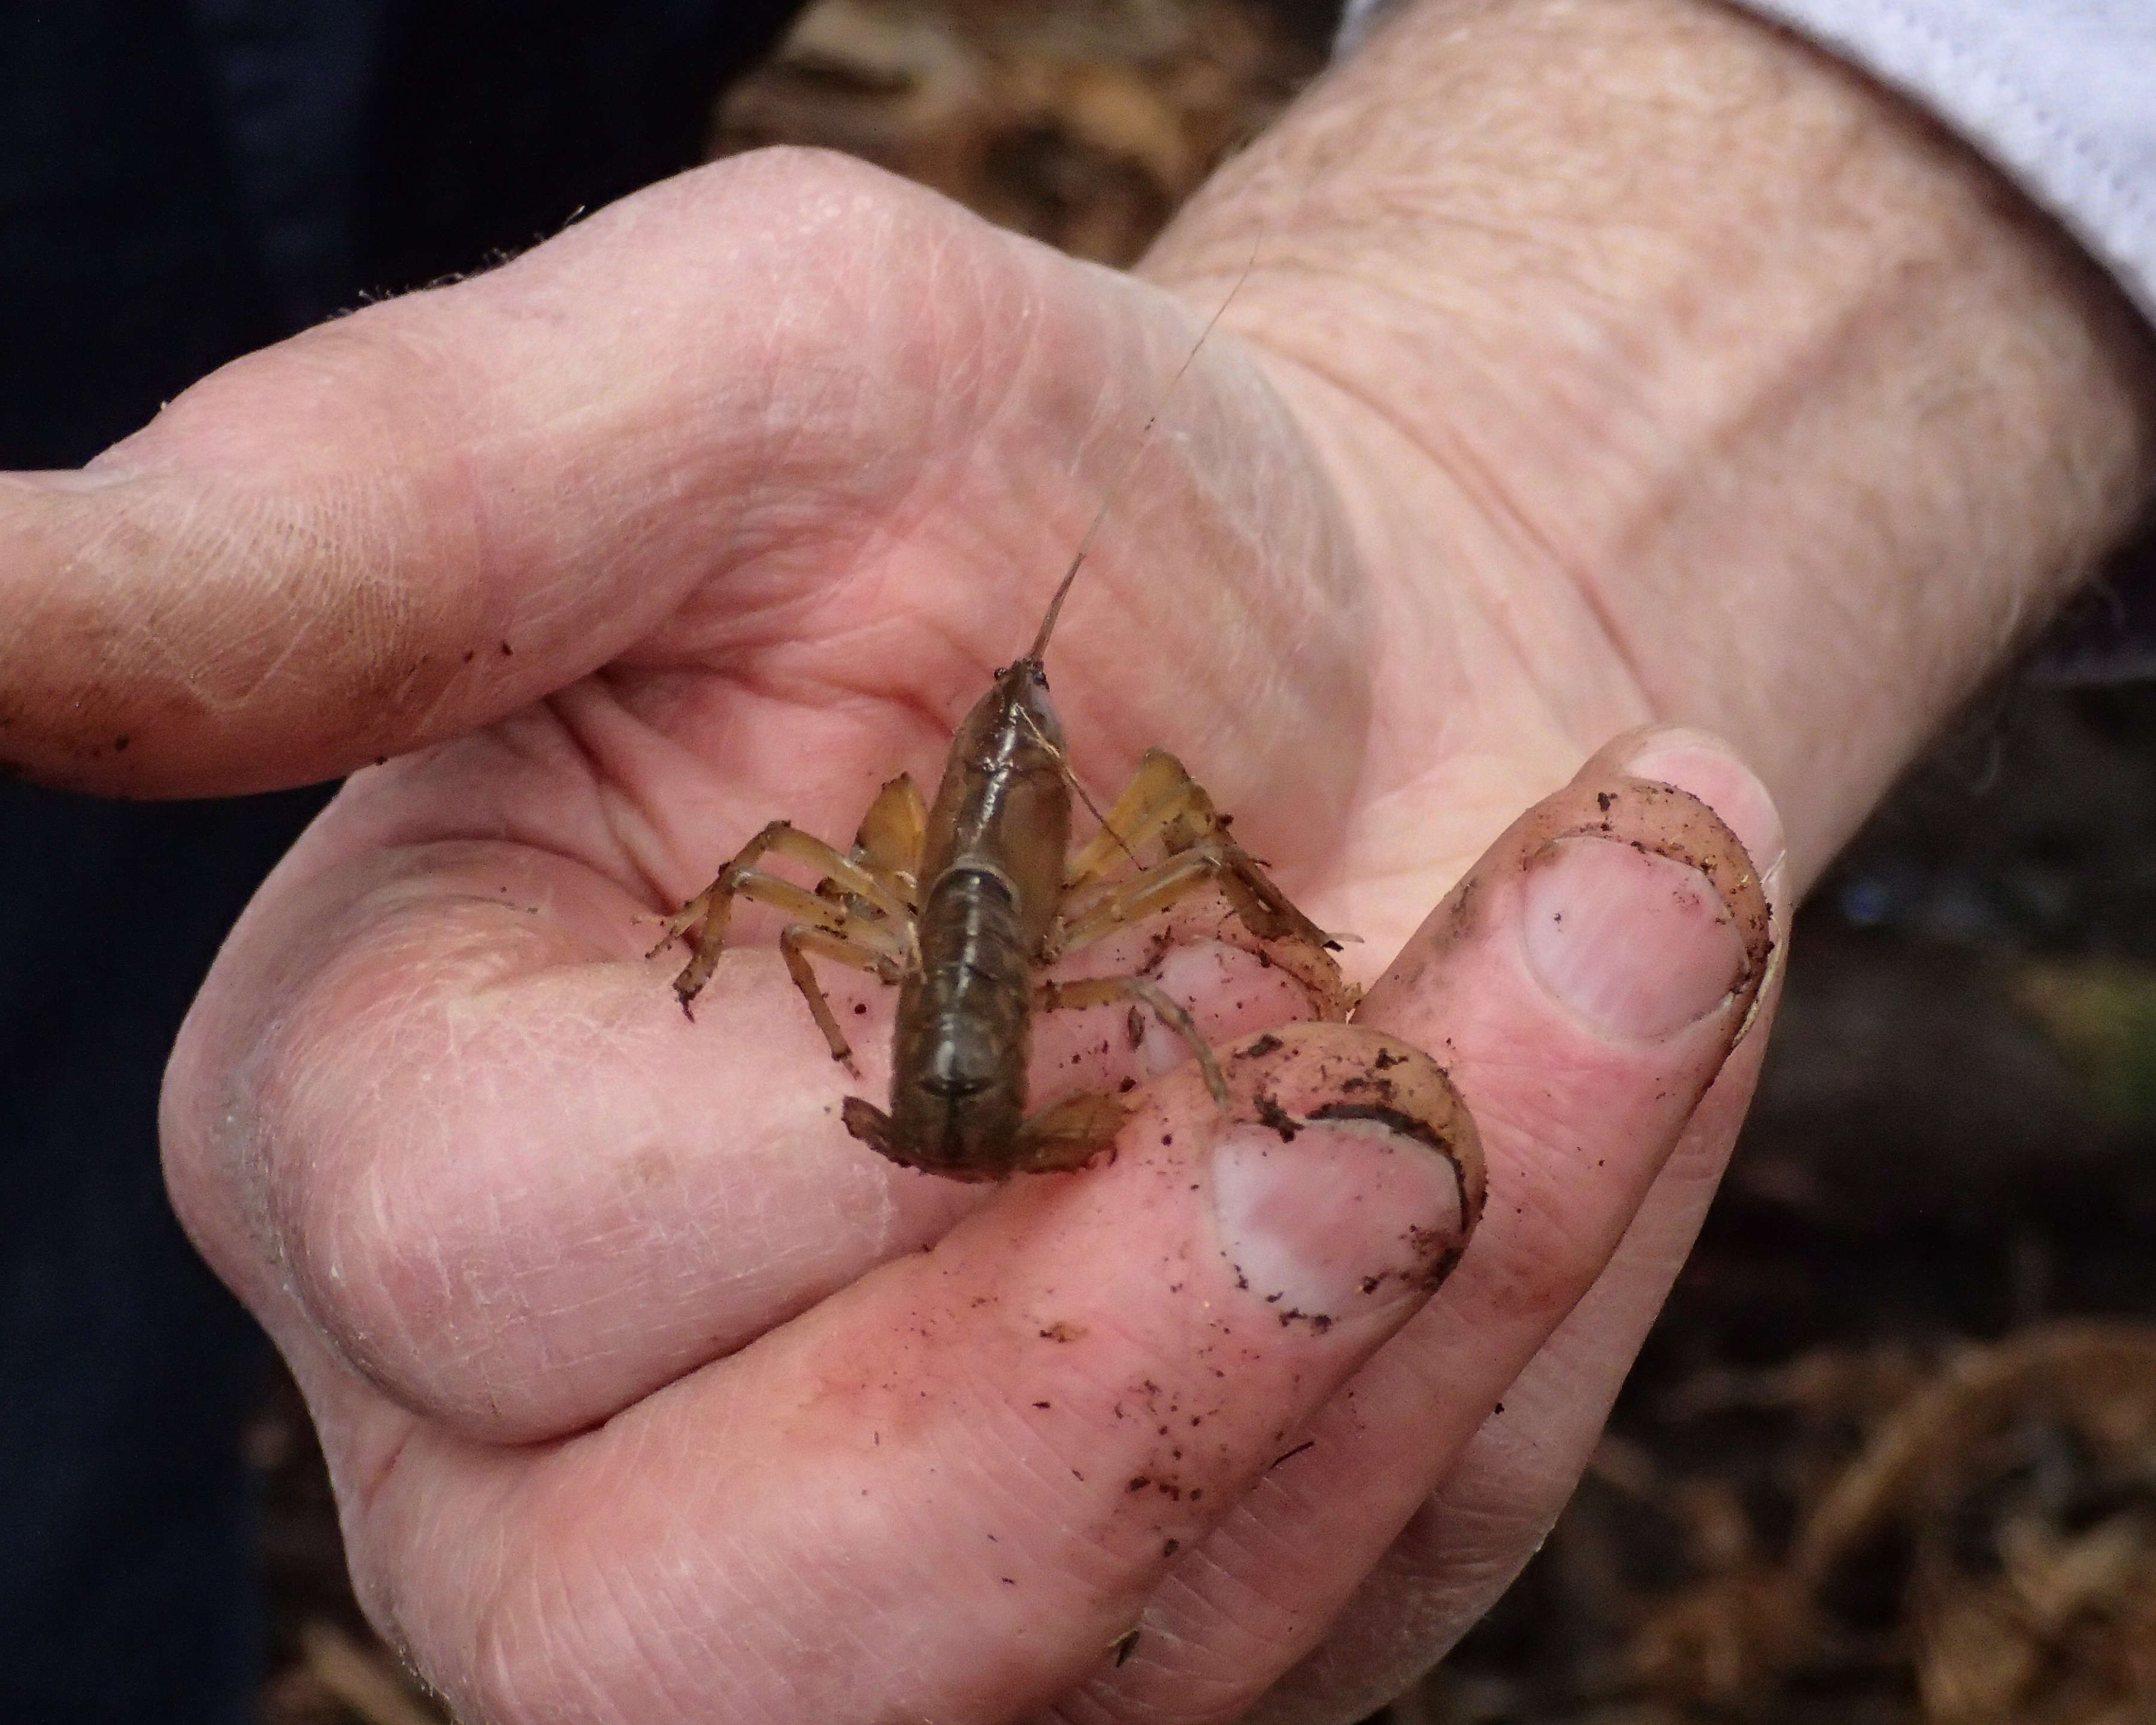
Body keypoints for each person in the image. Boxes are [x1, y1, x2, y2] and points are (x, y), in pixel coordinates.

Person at [4, 1, 2152, 1721]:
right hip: (1002, 1022)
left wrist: (1482, 445)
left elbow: (773, 864)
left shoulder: (918, 834)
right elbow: (1148, 900)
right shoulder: (1096, 904)